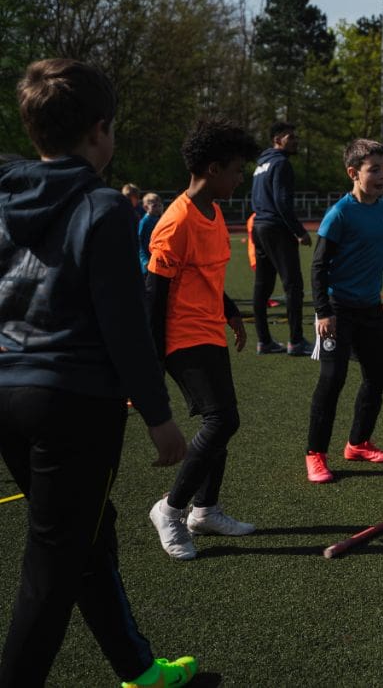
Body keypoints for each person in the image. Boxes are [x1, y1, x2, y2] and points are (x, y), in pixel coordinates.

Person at [0, 59, 196, 687]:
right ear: (100, 130)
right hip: (72, 403)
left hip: (8, 391)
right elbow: (124, 325)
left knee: (86, 535)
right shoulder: (104, 206)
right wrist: (160, 417)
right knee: (53, 564)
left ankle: (137, 668)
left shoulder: (7, 194)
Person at [146, 119, 260, 561]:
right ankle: (170, 510)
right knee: (222, 420)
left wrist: (230, 312)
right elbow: (154, 295)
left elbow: (208, 276)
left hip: (209, 330)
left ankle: (205, 510)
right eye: (236, 170)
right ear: (212, 169)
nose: (240, 178)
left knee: (222, 420)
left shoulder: (214, 213)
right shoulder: (176, 222)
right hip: (181, 336)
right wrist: (153, 361)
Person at [304, 139, 383, 484]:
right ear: (353, 173)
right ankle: (315, 454)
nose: (382, 176)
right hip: (337, 309)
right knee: (333, 380)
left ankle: (358, 443)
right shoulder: (340, 213)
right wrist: (323, 311)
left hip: (370, 308)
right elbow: (319, 266)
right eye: (374, 169)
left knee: (377, 376)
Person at [251, 121, 311, 355]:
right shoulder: (281, 163)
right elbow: (282, 201)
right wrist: (299, 231)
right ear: (277, 139)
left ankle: (264, 340)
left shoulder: (261, 164)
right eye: (290, 137)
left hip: (259, 226)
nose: (295, 141)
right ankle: (296, 341)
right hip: (276, 228)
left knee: (262, 286)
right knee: (293, 285)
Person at [138, 192, 164, 274]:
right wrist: (144, 260)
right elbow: (139, 242)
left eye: (159, 206)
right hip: (147, 261)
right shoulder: (144, 222)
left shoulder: (161, 220)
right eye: (154, 206)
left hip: (157, 259)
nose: (157, 209)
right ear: (145, 207)